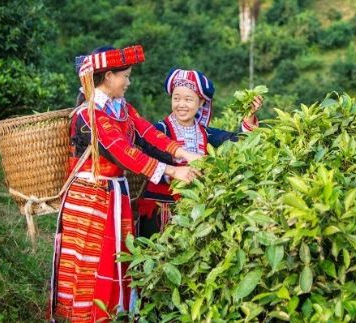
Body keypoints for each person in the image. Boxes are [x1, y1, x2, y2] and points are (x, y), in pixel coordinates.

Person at [50, 46, 202, 322]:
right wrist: (172, 170)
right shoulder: (89, 115)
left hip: (113, 195)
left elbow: (148, 134)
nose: (128, 82)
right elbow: (121, 151)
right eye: (126, 76)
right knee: (91, 263)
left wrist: (186, 154)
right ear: (108, 76)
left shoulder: (121, 109)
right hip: (90, 198)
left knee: (114, 261)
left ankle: (109, 316)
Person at [135, 68, 263, 237]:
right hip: (159, 211)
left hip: (195, 210)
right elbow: (143, 157)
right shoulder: (159, 130)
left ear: (201, 102)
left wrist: (249, 116)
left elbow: (238, 142)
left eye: (188, 99)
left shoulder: (205, 133)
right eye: (176, 98)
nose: (181, 104)